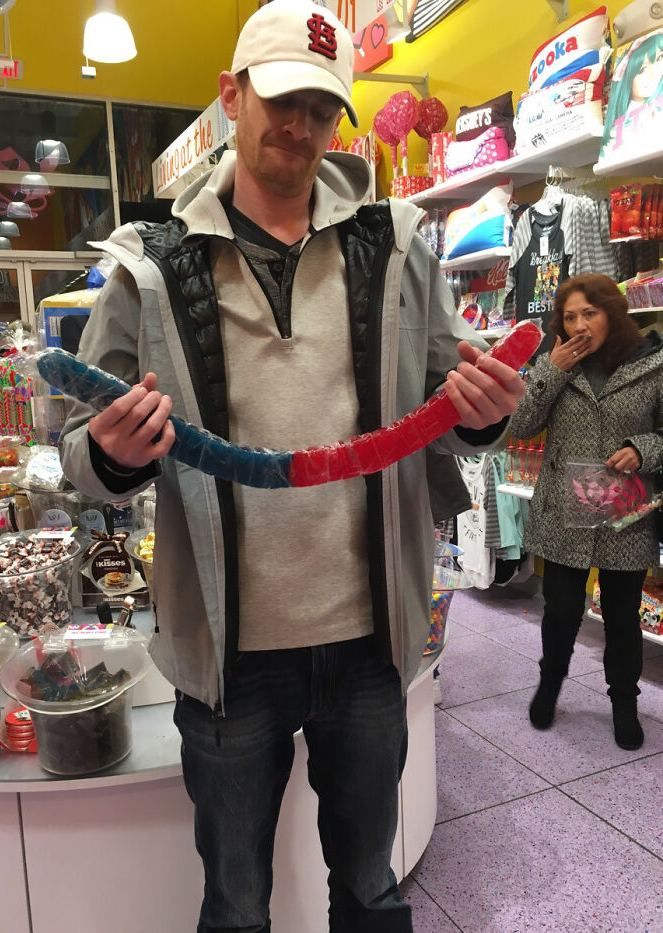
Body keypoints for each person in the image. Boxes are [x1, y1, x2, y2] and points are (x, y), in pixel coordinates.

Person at [59, 2, 525, 929]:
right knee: (235, 903)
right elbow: (82, 452)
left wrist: (484, 417)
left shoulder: (394, 245)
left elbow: (456, 396)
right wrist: (109, 454)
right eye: (280, 99)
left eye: (322, 107)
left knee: (369, 886)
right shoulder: (149, 265)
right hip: (228, 657)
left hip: (369, 643)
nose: (300, 126)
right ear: (232, 97)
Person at [510, 274, 662, 752]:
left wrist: (644, 448)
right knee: (560, 611)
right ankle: (549, 687)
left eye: (589, 313)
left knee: (621, 617)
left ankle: (624, 704)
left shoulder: (654, 366)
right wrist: (550, 371)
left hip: (625, 515)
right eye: (570, 316)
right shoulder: (555, 364)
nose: (579, 324)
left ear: (612, 314)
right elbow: (520, 424)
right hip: (564, 513)